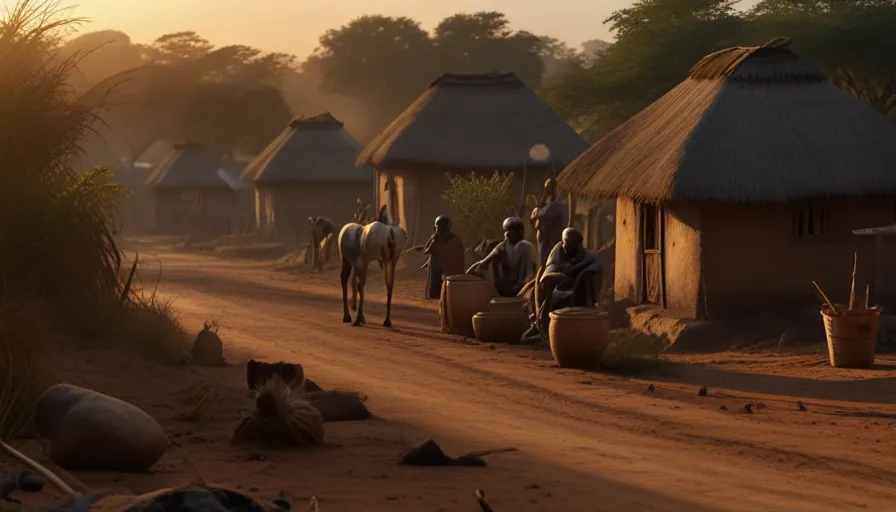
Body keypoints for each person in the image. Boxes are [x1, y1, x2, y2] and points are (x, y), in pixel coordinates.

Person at [528, 227, 602, 339]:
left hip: (578, 291)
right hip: (557, 291)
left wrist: (580, 273)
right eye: (566, 243)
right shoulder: (557, 252)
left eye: (572, 244)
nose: (567, 246)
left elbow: (594, 265)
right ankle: (544, 328)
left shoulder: (586, 254)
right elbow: (551, 273)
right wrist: (574, 270)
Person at [466, 217, 537, 297]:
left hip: (521, 288)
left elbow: (530, 273)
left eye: (511, 230)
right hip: (516, 288)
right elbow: (483, 263)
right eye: (507, 231)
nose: (508, 233)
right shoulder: (503, 246)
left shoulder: (525, 246)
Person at [408, 216, 465, 299]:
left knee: (434, 257)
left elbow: (427, 251)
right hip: (453, 277)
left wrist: (433, 242)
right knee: (434, 257)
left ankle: (436, 291)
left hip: (450, 276)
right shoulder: (456, 239)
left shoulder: (441, 241)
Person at [530, 177, 569, 268]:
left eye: (549, 188)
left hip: (553, 239)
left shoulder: (559, 206)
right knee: (543, 264)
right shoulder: (543, 205)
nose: (547, 191)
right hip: (544, 239)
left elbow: (543, 215)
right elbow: (534, 219)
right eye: (546, 188)